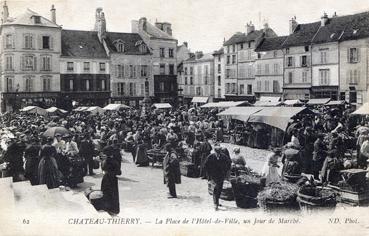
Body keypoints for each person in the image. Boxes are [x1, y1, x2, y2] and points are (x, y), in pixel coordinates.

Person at [204, 143, 231, 210]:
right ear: (215, 151)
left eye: (219, 152)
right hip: (214, 176)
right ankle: (215, 203)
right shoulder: (211, 156)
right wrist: (209, 176)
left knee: (219, 189)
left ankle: (217, 201)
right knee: (216, 188)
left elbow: (229, 164)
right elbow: (206, 165)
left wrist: (225, 172)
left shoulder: (224, 156)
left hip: (221, 175)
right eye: (217, 152)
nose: (218, 153)